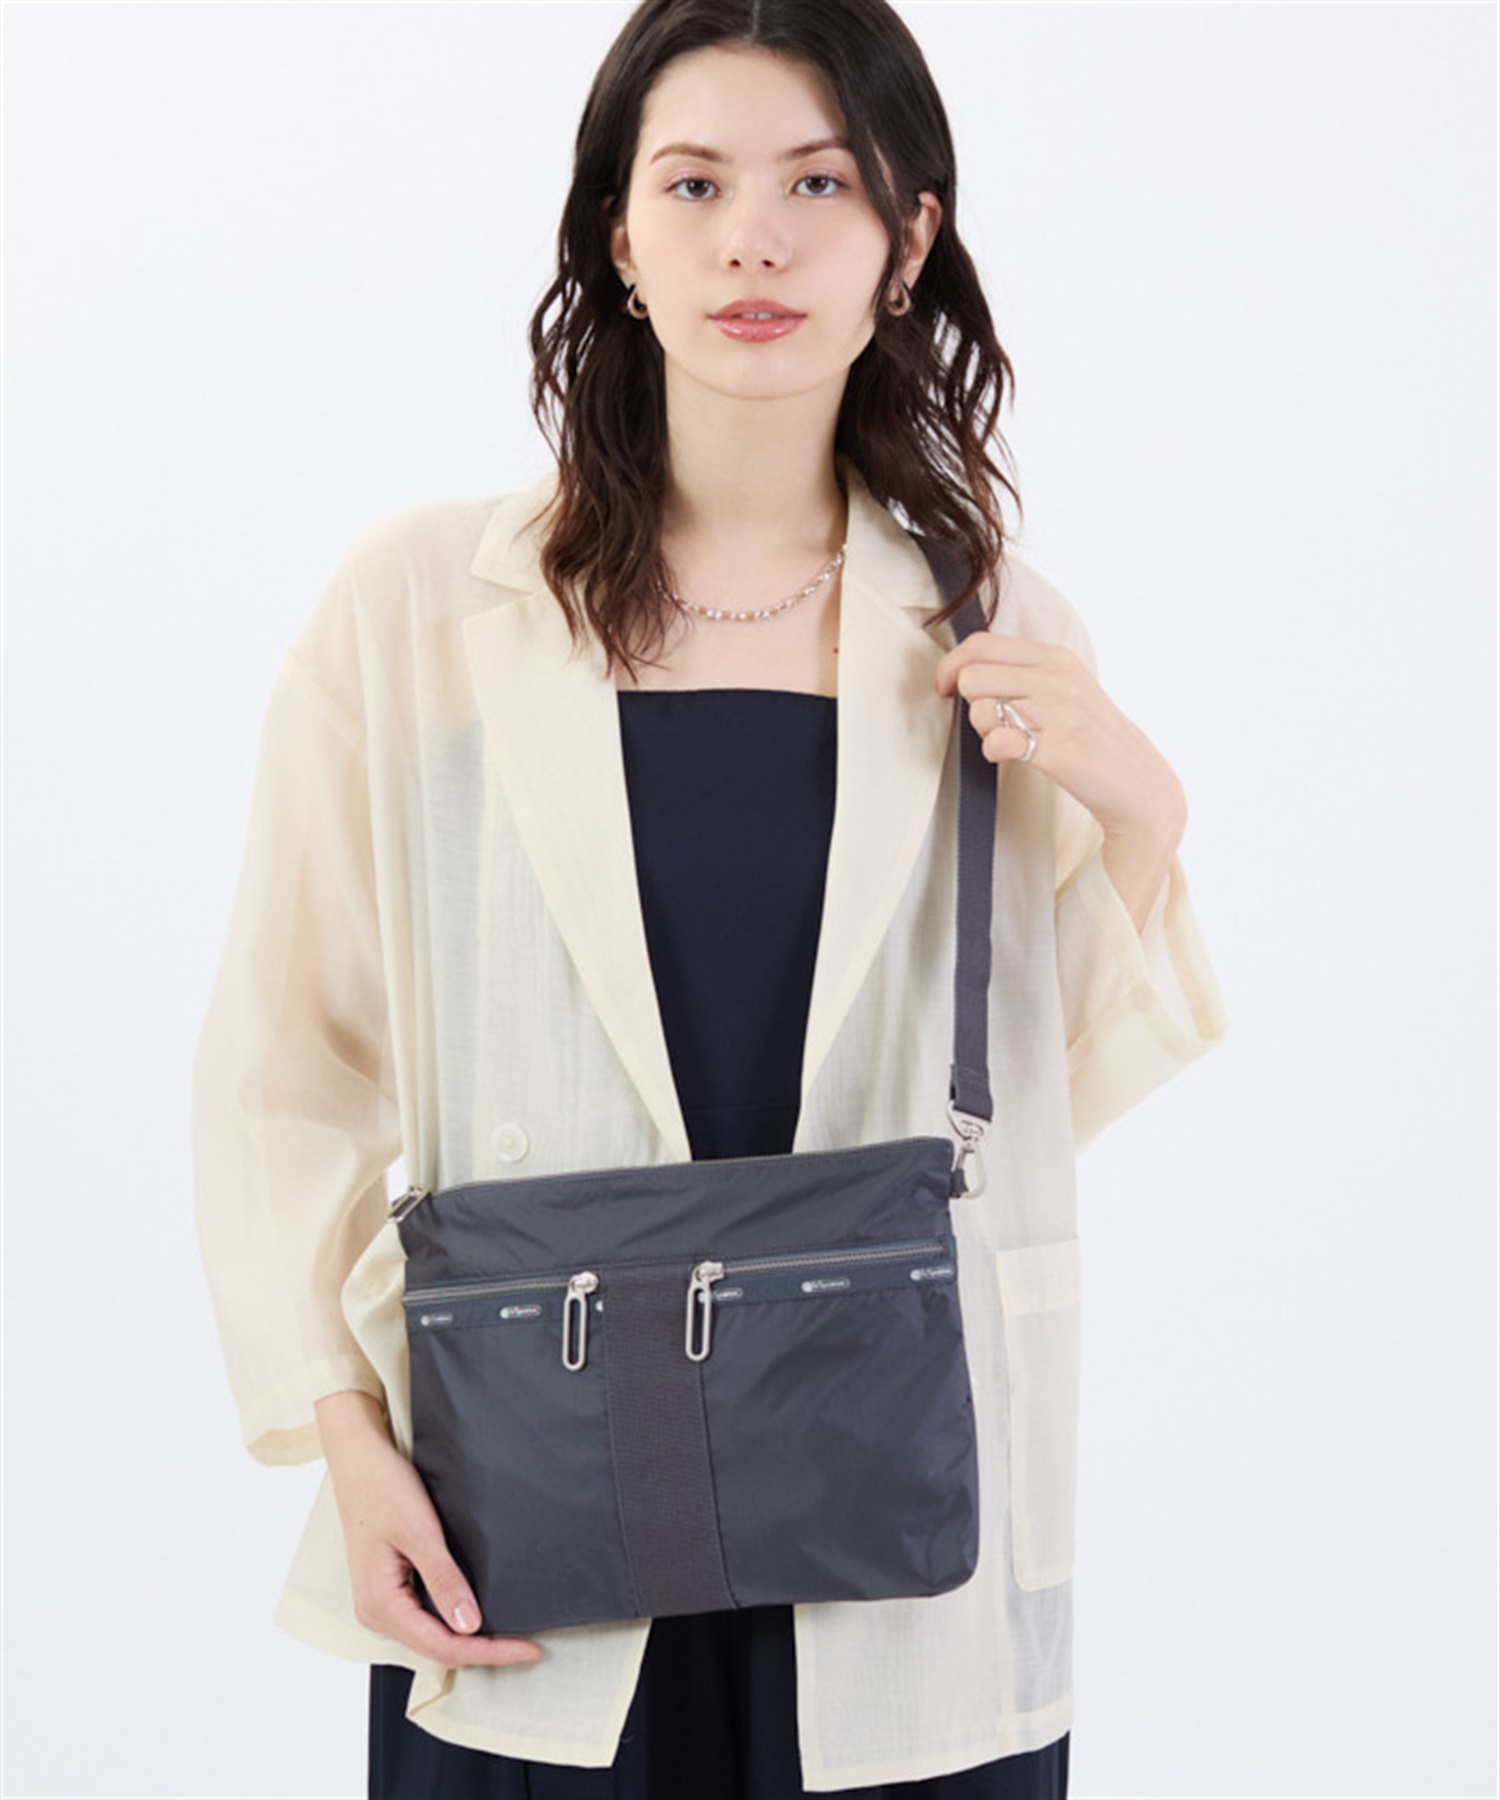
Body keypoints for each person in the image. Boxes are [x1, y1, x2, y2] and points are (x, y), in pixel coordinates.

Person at [191, 1, 1228, 1794]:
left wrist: (1144, 811)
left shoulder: (997, 627)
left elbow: (1014, 1099)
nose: (754, 238)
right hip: (528, 1494)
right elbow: (286, 1062)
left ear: (907, 238)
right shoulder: (422, 609)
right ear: (620, 233)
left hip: (884, 1494)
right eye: (694, 183)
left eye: (819, 183)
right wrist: (345, 1440)